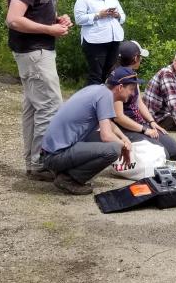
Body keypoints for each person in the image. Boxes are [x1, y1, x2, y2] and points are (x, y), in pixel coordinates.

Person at [6, 0, 73, 182]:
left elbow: (35, 13)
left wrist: (56, 20)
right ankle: (41, 162)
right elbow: (14, 19)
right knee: (50, 106)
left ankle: (33, 161)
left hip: (38, 51)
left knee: (35, 107)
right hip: (34, 53)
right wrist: (49, 31)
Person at [40, 66, 137, 195]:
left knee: (109, 141)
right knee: (113, 149)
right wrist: (124, 147)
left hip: (49, 153)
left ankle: (64, 172)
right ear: (120, 87)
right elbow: (106, 136)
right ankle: (68, 179)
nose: (132, 93)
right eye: (131, 89)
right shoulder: (106, 96)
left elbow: (109, 124)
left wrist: (124, 138)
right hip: (54, 157)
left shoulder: (99, 90)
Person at [111, 40, 176, 160]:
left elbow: (138, 102)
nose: (141, 59)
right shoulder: (118, 79)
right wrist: (144, 130)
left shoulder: (132, 75)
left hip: (140, 123)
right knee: (163, 154)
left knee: (174, 151)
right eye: (140, 56)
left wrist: (151, 122)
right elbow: (118, 117)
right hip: (125, 128)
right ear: (135, 58)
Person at [73, 0, 127, 86]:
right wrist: (98, 15)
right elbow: (79, 19)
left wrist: (117, 15)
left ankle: (106, 100)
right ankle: (91, 101)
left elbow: (123, 16)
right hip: (95, 41)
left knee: (111, 73)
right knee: (96, 74)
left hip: (114, 39)